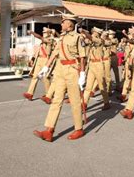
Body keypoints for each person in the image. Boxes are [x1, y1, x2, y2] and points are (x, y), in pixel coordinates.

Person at [33, 14, 87, 142]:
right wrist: (45, 67)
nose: (61, 25)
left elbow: (82, 57)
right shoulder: (61, 38)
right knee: (57, 100)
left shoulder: (78, 38)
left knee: (74, 102)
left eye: (63, 22)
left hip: (73, 70)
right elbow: (55, 53)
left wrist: (83, 74)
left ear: (70, 24)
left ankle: (79, 129)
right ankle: (49, 130)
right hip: (61, 70)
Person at [80, 27, 111, 110]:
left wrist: (84, 32)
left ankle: (106, 102)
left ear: (97, 33)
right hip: (92, 64)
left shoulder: (100, 41)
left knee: (101, 86)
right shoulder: (91, 41)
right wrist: (82, 36)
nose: (92, 33)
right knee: (88, 86)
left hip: (98, 64)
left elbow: (91, 38)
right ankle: (84, 103)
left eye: (94, 32)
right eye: (92, 32)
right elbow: (83, 43)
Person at [23, 28, 53, 101]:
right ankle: (30, 93)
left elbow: (39, 37)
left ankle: (49, 95)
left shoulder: (50, 40)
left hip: (45, 60)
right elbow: (38, 51)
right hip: (38, 59)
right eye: (43, 32)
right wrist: (33, 58)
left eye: (45, 32)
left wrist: (32, 32)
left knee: (45, 78)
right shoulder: (42, 42)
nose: (44, 33)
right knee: (35, 76)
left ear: (49, 33)